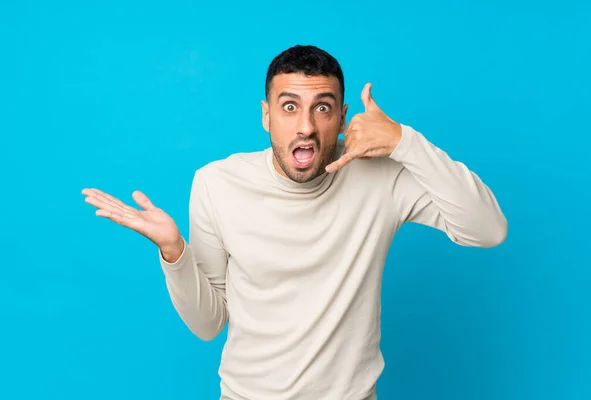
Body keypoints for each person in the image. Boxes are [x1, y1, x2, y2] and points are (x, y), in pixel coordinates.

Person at [82, 44, 507, 400]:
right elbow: (209, 323)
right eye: (290, 107)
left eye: (321, 108)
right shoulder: (217, 183)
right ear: (267, 115)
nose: (305, 127)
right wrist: (174, 252)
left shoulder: (380, 176)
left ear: (341, 118)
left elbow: (488, 229)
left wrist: (403, 141)